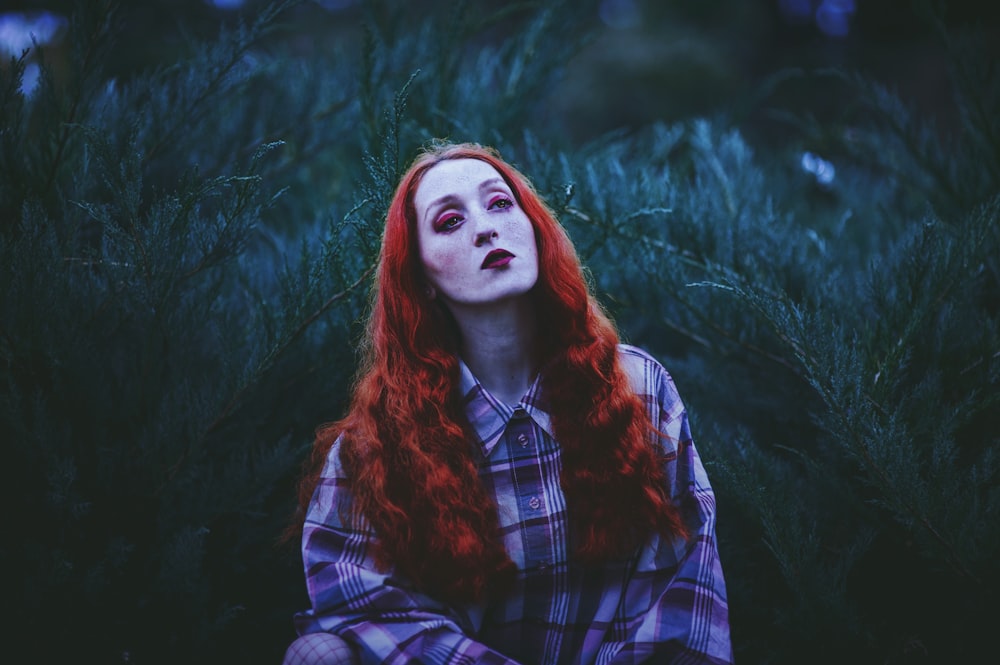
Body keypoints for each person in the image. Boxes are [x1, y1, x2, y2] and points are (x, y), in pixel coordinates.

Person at [282, 141, 733, 665]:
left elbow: (682, 581)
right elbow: (361, 604)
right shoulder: (377, 443)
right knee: (316, 654)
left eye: (499, 204)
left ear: (535, 230)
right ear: (422, 279)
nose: (485, 228)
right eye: (449, 222)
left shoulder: (637, 387)